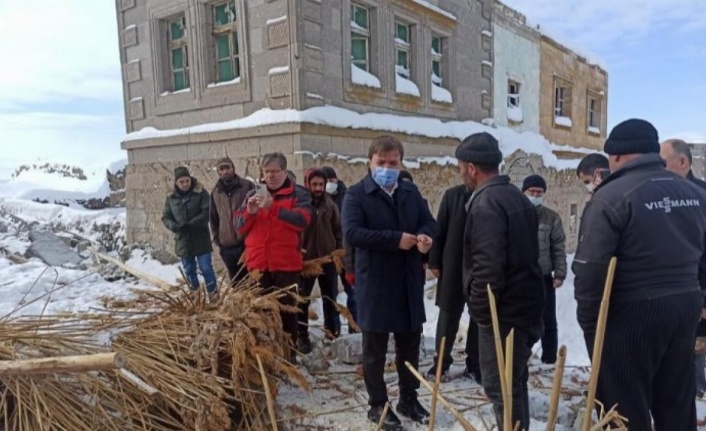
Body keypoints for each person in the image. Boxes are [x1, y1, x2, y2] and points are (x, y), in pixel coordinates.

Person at [573, 119, 706, 430]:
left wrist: (592, 326)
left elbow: (591, 269)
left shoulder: (610, 197)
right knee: (675, 399)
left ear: (617, 156)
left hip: (632, 314)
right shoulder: (694, 193)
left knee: (623, 406)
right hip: (684, 307)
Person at [343, 135, 437, 430]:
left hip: (408, 281)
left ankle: (408, 397)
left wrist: (425, 238)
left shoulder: (409, 191)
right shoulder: (356, 195)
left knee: (409, 344)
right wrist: (395, 239)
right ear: (369, 163)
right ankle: (377, 404)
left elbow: (428, 221)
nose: (386, 167)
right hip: (377, 283)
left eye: (392, 163)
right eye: (380, 162)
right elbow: (354, 234)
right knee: (375, 350)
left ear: (401, 163)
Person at [460, 132, 545, 431]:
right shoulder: (515, 196)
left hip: (504, 312)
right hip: (526, 305)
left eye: (461, 167)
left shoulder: (486, 203)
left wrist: (482, 314)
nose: (461, 174)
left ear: (471, 168)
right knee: (514, 381)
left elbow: (488, 267)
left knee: (500, 388)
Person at [235, 153, 313, 360]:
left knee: (287, 312)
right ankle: (269, 356)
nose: (270, 176)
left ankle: (289, 356)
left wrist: (273, 208)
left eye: (275, 171)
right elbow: (239, 229)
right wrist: (250, 212)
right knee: (263, 314)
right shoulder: (252, 194)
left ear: (284, 172)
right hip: (258, 264)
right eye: (266, 172)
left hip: (286, 264)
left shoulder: (299, 194)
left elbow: (302, 221)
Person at [660, 138, 706, 398]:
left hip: (696, 291)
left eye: (662, 161)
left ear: (683, 162)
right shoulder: (657, 193)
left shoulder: (701, 196)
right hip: (666, 294)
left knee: (694, 351)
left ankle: (698, 395)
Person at [426, 183, 482, 383]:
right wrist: (434, 260)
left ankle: (475, 365)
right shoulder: (452, 196)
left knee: (479, 318)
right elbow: (439, 229)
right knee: (448, 316)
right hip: (453, 266)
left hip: (481, 268)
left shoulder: (492, 196)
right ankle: (441, 362)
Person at [522, 174, 567, 364]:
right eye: (531, 192)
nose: (535, 195)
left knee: (548, 319)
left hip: (544, 276)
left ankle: (549, 358)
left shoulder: (551, 218)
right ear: (524, 192)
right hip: (522, 276)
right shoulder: (516, 214)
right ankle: (522, 354)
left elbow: (558, 247)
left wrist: (560, 273)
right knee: (523, 316)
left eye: (539, 192)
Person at [297, 168, 343, 353]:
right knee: (303, 300)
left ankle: (332, 332)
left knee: (330, 298)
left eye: (321, 185)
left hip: (327, 259)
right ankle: (302, 337)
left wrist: (338, 251)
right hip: (306, 261)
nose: (318, 188)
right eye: (314, 184)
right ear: (308, 184)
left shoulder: (330, 205)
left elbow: (338, 230)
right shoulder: (301, 204)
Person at [162, 166, 218, 297]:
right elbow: (165, 217)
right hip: (183, 241)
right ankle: (195, 296)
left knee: (206, 268)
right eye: (181, 182)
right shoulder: (171, 198)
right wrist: (175, 226)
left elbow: (207, 212)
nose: (185, 184)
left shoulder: (200, 193)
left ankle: (214, 296)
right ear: (176, 183)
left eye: (187, 181)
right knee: (189, 270)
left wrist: (192, 223)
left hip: (201, 239)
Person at [321, 166, 357, 332]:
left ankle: (354, 326)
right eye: (326, 181)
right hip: (327, 254)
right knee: (330, 294)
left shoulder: (348, 196)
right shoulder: (319, 198)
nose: (330, 183)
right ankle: (333, 329)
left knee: (352, 292)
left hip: (345, 251)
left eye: (332, 180)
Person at [209, 157, 254, 286]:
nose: (225, 172)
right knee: (236, 283)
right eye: (221, 169)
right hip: (227, 247)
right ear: (218, 172)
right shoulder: (216, 192)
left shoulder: (246, 186)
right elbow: (213, 218)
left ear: (233, 168)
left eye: (227, 168)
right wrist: (219, 242)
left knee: (253, 282)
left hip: (246, 244)